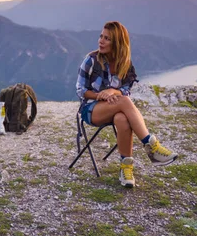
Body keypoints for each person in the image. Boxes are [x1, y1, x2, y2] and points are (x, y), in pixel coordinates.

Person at [75, 21, 178, 188]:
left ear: (117, 43)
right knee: (125, 101)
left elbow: (125, 89)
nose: (101, 41)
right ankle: (151, 146)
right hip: (91, 109)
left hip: (116, 108)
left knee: (122, 118)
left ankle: (126, 169)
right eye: (101, 36)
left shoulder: (125, 64)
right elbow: (80, 90)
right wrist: (100, 96)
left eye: (107, 38)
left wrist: (113, 92)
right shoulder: (91, 60)